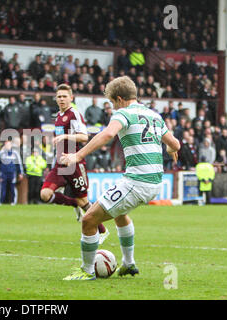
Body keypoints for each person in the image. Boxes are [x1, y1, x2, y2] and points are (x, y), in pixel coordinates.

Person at [60, 76, 180, 280]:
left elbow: (107, 134)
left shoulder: (124, 113)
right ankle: (129, 264)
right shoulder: (154, 115)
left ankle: (86, 271)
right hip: (154, 182)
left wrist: (77, 155)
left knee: (89, 219)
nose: (113, 108)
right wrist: (170, 148)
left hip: (137, 181)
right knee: (120, 213)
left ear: (119, 99)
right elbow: (175, 144)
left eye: (112, 103)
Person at [39, 84, 108, 244]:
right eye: (59, 96)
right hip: (60, 164)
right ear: (55, 99)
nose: (61, 99)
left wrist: (65, 137)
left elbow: (84, 136)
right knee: (45, 195)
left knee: (84, 202)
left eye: (64, 96)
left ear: (71, 98)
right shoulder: (58, 116)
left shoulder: (74, 114)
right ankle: (74, 204)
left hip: (75, 164)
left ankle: (102, 231)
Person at [0, 140, 23, 205]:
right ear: (5, 145)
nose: (8, 146)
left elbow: (19, 164)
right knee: (2, 188)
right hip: (3, 174)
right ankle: (0, 202)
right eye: (6, 145)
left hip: (12, 174)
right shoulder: (1, 153)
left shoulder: (15, 153)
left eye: (9, 145)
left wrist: (20, 173)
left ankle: (13, 202)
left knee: (13, 188)